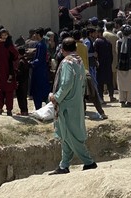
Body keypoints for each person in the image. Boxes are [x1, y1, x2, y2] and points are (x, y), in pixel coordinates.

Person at [48, 38, 97, 175]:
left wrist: (56, 97)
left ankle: (89, 162)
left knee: (70, 136)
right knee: (66, 134)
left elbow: (66, 83)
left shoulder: (67, 62)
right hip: (76, 103)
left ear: (62, 49)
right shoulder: (79, 60)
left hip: (67, 105)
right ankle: (64, 165)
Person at [0, 29, 19, 115]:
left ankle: (7, 109)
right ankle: (2, 108)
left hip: (6, 70)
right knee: (2, 91)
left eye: (5, 35)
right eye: (2, 35)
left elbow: (15, 54)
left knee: (6, 91)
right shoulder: (1, 44)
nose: (4, 37)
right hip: (3, 70)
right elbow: (15, 54)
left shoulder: (5, 44)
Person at [117, 25, 131, 107]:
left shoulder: (118, 42)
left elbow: (117, 52)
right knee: (130, 84)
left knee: (121, 83)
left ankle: (122, 100)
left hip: (121, 65)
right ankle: (129, 101)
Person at [31, 28, 50, 109]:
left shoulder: (40, 45)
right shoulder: (42, 44)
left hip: (38, 71)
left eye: (35, 34)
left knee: (37, 91)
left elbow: (38, 59)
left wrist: (30, 63)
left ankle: (38, 109)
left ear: (38, 35)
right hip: (42, 70)